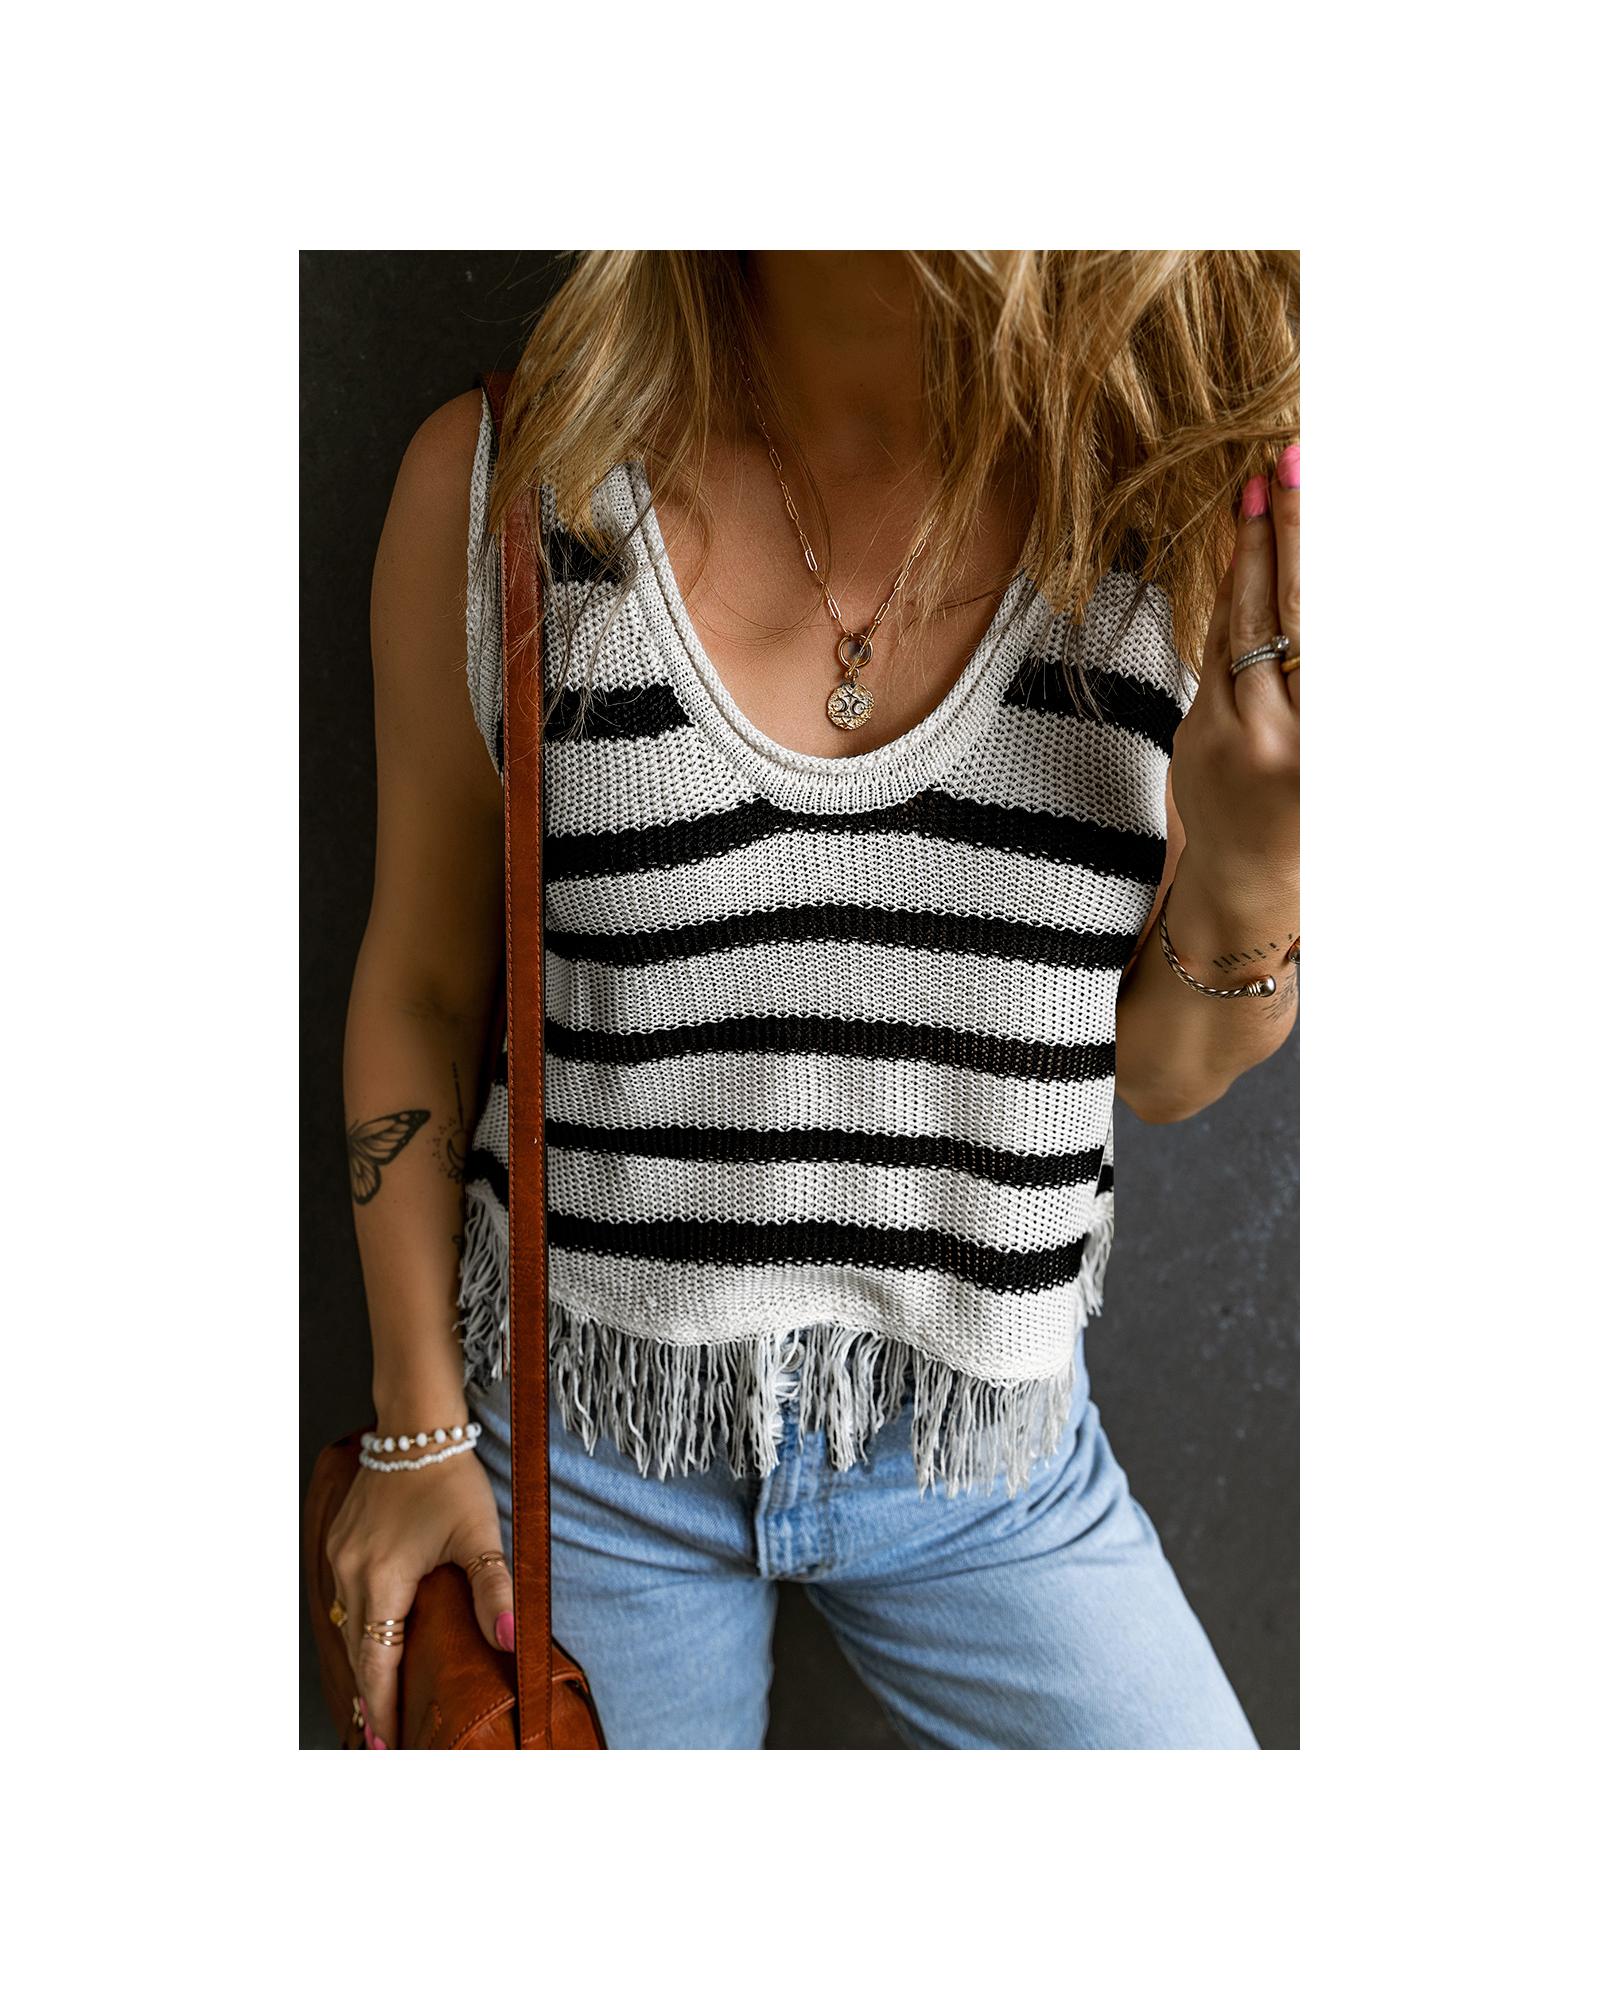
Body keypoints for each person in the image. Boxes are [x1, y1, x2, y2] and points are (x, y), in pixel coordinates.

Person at [327, 250, 1299, 1750]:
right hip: (588, 1445)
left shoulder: (1168, 530)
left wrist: (1256, 866)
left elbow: (1162, 1077)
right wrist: (415, 1428)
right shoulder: (510, 491)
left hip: (985, 1457)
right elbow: (423, 982)